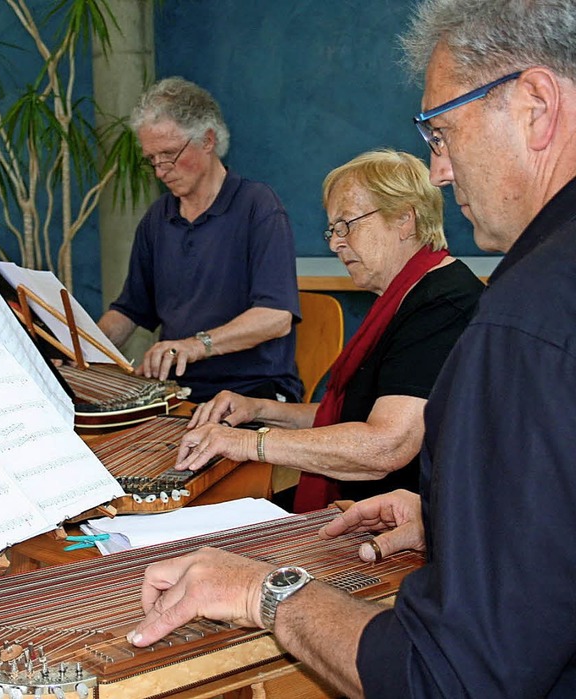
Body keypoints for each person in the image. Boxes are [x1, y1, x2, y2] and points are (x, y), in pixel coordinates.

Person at [127, 1, 576, 696]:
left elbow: (451, 676)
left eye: (442, 131)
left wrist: (263, 590)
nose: (443, 170)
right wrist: (443, 519)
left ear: (537, 105)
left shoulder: (519, 314)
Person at [172, 148, 483, 511]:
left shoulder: (443, 305)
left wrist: (247, 444)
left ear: (404, 220)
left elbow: (385, 446)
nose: (336, 243)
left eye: (347, 224)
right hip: (364, 502)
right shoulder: (404, 295)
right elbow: (348, 416)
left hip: (396, 521)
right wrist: (256, 409)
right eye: (333, 230)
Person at [98, 77, 302, 403]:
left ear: (207, 140)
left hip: (251, 392)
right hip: (178, 391)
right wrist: (84, 348)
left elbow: (275, 318)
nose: (160, 170)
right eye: (151, 159)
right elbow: (130, 310)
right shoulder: (158, 218)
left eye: (168, 154)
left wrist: (194, 346)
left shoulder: (258, 206)